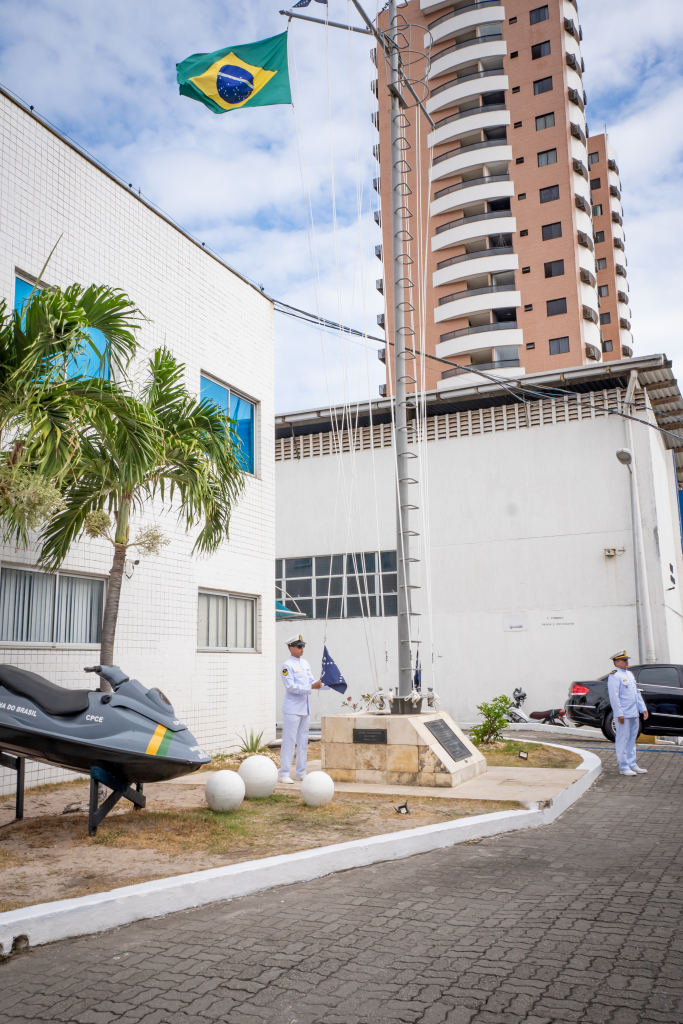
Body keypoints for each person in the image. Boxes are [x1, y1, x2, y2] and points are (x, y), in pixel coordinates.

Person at [278, 635, 328, 784]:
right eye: (299, 646)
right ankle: (284, 773)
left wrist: (326, 684)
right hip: (292, 708)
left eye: (303, 646)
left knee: (303, 741)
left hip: (305, 708)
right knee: (289, 741)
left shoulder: (305, 663)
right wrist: (312, 686)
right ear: (291, 648)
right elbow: (291, 687)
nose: (302, 649)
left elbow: (311, 681)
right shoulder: (287, 666)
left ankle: (301, 771)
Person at [607, 650, 649, 777]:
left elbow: (636, 693)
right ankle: (624, 766)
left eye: (627, 660)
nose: (627, 662)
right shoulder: (614, 676)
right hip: (623, 714)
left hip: (633, 712)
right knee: (622, 740)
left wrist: (642, 708)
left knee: (632, 739)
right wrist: (619, 714)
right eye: (624, 660)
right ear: (616, 662)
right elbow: (614, 697)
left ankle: (632, 764)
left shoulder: (629, 674)